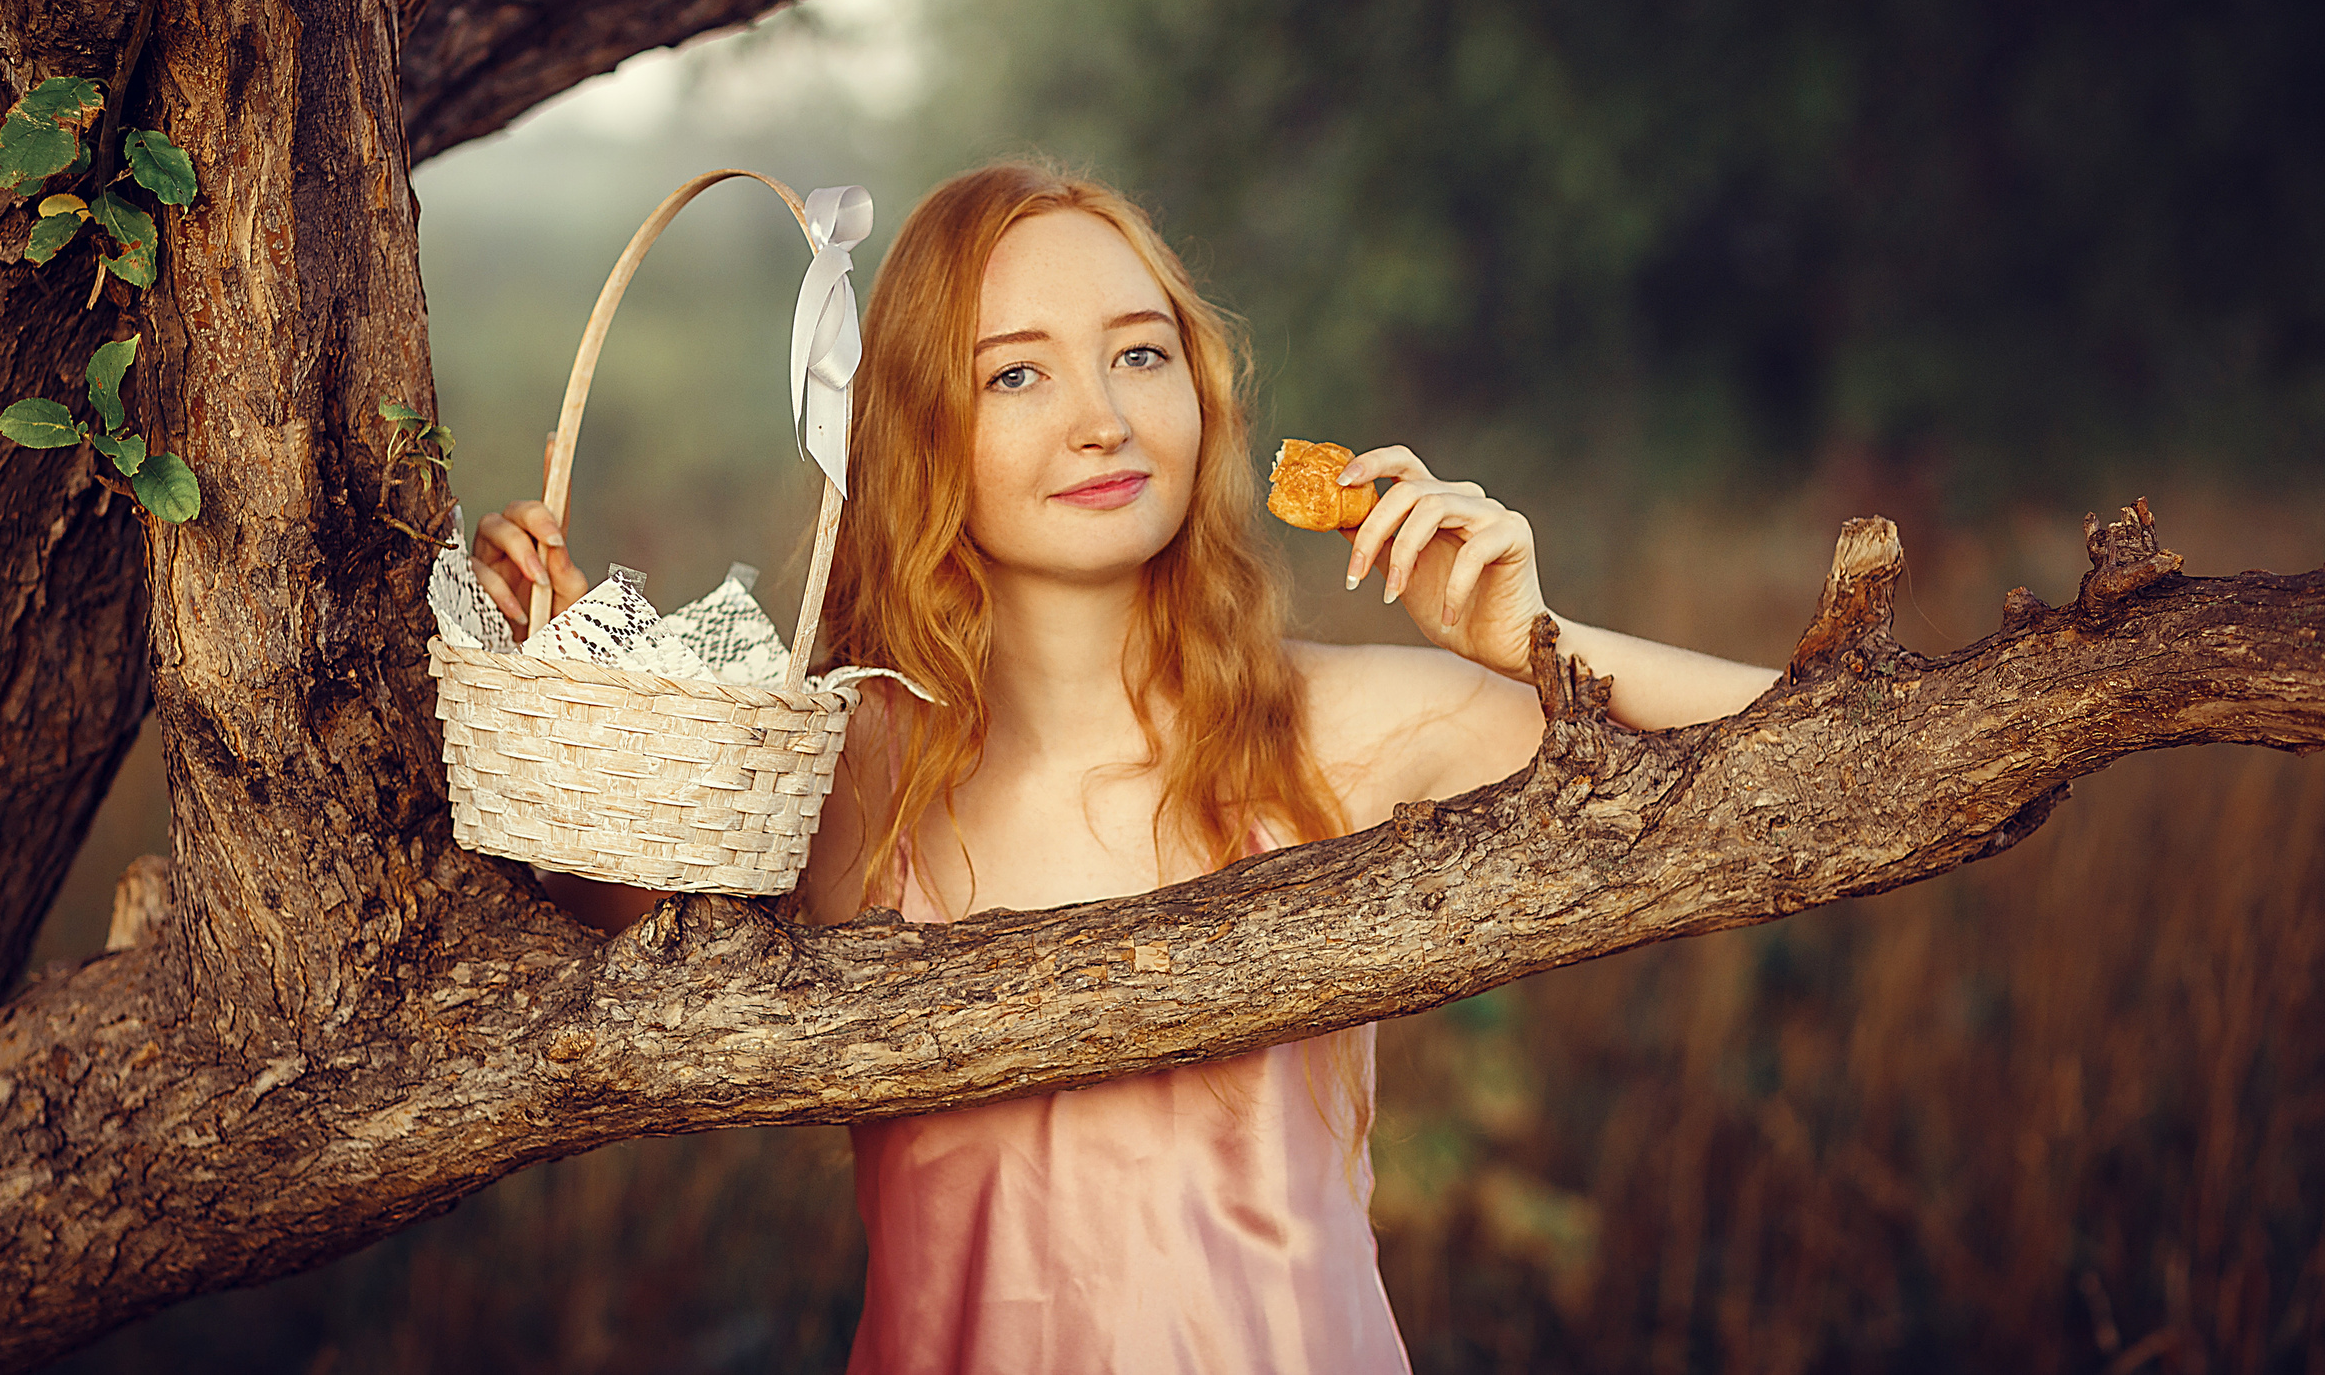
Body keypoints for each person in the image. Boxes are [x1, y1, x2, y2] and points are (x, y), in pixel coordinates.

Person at [471, 162, 1777, 1374]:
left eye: (1140, 355)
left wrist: (1536, 642)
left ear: (1198, 393)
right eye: (1016, 377)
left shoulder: (1344, 725)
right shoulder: (841, 762)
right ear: (917, 427)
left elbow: (1826, 765)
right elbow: (626, 936)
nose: (1103, 419)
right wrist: (571, 685)